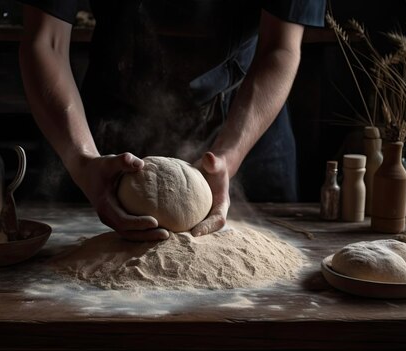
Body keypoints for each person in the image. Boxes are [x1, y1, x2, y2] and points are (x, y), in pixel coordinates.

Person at [18, 0, 326, 241]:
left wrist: (228, 157)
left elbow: (280, 47)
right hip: (107, 127)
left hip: (244, 113)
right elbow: (46, 41)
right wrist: (83, 159)